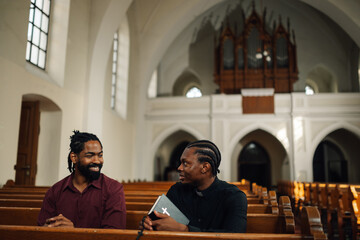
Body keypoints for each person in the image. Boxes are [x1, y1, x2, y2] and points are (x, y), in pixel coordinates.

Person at [141, 140, 247, 232]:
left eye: (185, 163)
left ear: (205, 167)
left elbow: (234, 235)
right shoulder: (176, 190)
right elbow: (162, 224)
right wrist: (149, 224)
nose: (179, 168)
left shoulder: (234, 196)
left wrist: (186, 230)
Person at [37, 130, 126, 229]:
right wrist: (48, 228)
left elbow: (114, 234)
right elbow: (42, 230)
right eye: (90, 156)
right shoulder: (55, 191)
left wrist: (73, 233)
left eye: (100, 155)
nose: (97, 160)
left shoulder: (113, 189)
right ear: (74, 157)